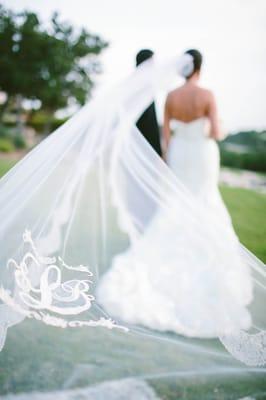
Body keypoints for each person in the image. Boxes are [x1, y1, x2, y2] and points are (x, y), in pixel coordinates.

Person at [136, 49, 162, 156]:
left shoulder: (134, 84)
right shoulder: (144, 87)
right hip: (143, 143)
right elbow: (150, 121)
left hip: (136, 142)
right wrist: (157, 150)